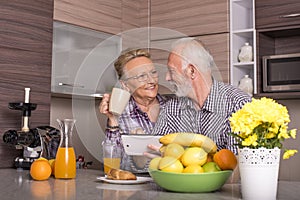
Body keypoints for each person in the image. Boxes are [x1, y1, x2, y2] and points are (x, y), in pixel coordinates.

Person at [150, 38, 252, 154]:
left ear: (192, 71)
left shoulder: (239, 105)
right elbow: (153, 152)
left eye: (172, 71)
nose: (167, 78)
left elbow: (237, 164)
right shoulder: (172, 108)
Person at [99, 48, 167, 172]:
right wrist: (113, 120)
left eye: (153, 72)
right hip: (132, 188)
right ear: (125, 84)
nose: (151, 80)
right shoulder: (121, 113)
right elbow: (113, 167)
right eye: (141, 76)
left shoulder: (174, 108)